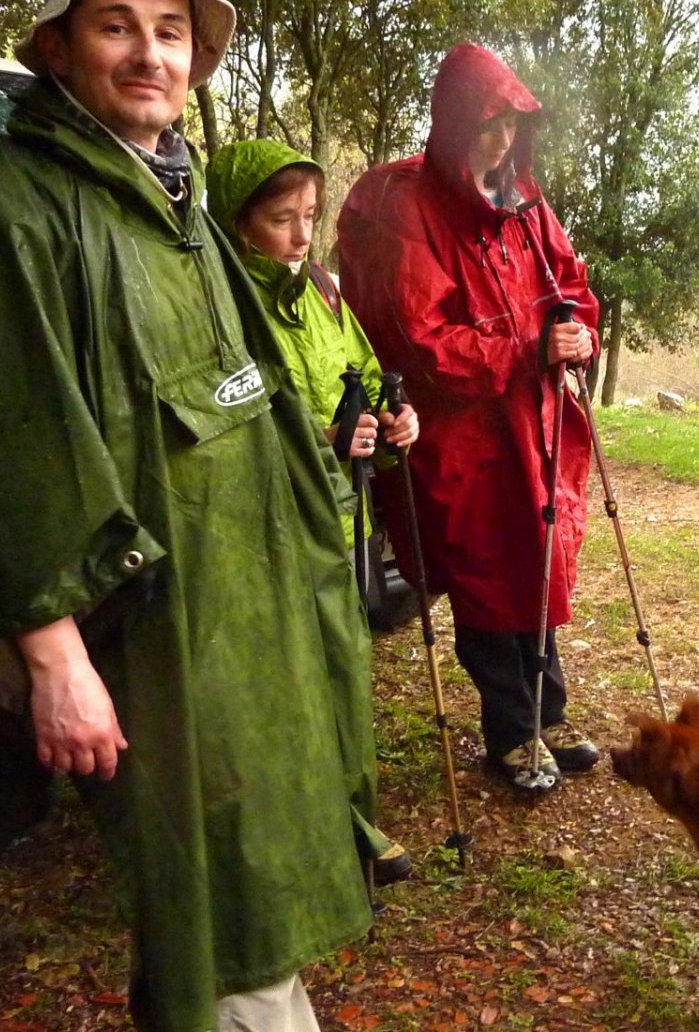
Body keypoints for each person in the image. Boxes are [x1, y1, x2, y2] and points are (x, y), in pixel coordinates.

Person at [0, 0, 377, 1028]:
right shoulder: (12, 202)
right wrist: (54, 656)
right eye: (116, 27)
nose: (150, 54)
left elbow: (245, 401)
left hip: (232, 622)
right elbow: (8, 437)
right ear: (57, 51)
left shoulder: (179, 204)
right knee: (217, 895)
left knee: (236, 882)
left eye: (171, 32)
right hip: (131, 632)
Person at [337, 43, 601, 793]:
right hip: (462, 439)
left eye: (515, 123)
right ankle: (512, 734)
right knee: (491, 577)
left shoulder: (526, 203)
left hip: (535, 425)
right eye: (489, 123)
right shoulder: (410, 208)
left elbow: (568, 287)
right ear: (455, 125)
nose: (503, 140)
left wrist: (577, 330)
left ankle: (547, 714)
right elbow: (422, 343)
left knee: (542, 565)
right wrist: (527, 342)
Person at [205, 137, 419, 884]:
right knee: (287, 688)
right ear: (236, 224)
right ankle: (320, 833)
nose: (301, 235)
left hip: (344, 519)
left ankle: (348, 823)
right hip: (269, 532)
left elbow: (357, 374)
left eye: (310, 215)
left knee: (344, 673)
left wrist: (392, 428)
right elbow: (221, 425)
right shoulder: (220, 305)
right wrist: (319, 442)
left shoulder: (323, 292)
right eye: (280, 218)